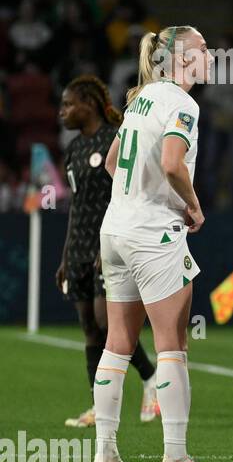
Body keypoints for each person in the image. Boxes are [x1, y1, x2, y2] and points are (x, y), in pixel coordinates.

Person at [95, 26, 220, 462]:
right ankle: (176, 457)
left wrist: (136, 198)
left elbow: (111, 163)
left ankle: (105, 455)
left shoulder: (141, 98)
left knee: (117, 345)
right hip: (153, 235)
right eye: (204, 49)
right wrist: (191, 204)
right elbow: (171, 162)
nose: (212, 55)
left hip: (116, 230)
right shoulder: (183, 103)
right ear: (183, 57)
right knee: (172, 345)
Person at [57, 75, 158, 429]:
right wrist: (67, 256)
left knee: (107, 321)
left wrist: (111, 240)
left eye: (68, 104)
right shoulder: (73, 149)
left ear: (89, 104)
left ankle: (150, 378)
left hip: (109, 242)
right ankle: (98, 407)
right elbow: (75, 204)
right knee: (89, 328)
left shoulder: (114, 139)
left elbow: (126, 192)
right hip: (80, 246)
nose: (63, 112)